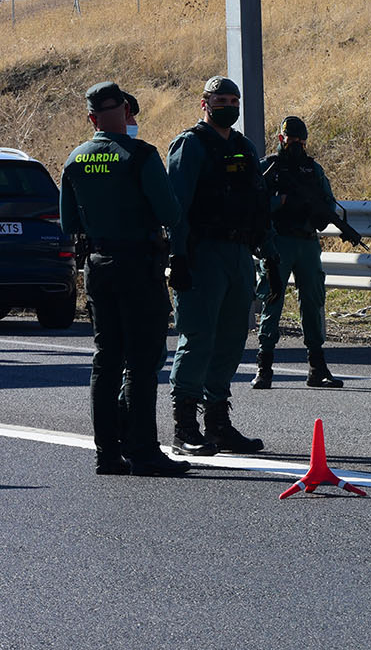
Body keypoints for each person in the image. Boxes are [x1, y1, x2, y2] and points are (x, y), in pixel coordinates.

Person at [59, 82, 190, 476]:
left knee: (106, 359)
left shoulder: (76, 159)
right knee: (142, 360)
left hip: (97, 265)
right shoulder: (141, 155)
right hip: (138, 264)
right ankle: (144, 451)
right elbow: (171, 213)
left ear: (91, 117)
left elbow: (69, 222)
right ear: (126, 111)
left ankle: (107, 454)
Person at [166, 75, 281, 456]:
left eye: (234, 99)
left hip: (238, 254)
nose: (229, 105)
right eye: (222, 99)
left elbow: (259, 204)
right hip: (203, 254)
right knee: (198, 337)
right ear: (205, 103)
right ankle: (185, 426)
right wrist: (177, 256)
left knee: (232, 339)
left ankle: (217, 423)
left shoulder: (245, 148)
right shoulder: (191, 145)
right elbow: (176, 208)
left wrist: (270, 252)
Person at [253, 115, 361, 390]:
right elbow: (254, 202)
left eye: (301, 141)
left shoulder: (313, 171)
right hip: (279, 242)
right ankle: (264, 366)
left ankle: (317, 366)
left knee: (313, 301)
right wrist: (282, 201)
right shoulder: (268, 168)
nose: (297, 146)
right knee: (273, 300)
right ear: (281, 139)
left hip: (307, 242)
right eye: (292, 140)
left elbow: (327, 202)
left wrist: (320, 214)